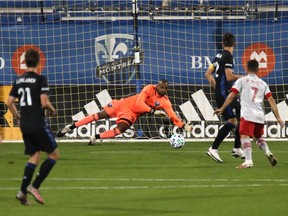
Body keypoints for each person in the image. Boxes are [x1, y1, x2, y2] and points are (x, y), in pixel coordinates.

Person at [57, 79, 193, 143]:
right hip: (122, 104)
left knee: (120, 130)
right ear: (157, 85)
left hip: (131, 114)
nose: (163, 89)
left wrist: (183, 126)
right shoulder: (149, 88)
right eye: (161, 87)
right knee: (99, 115)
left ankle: (95, 137)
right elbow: (139, 102)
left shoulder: (165, 101)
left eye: (165, 88)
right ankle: (71, 127)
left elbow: (173, 117)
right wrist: (153, 111)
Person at [7, 49, 59, 205]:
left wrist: (17, 117)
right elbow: (44, 102)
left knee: (34, 156)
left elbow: (9, 102)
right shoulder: (40, 79)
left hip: (25, 124)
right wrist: (52, 110)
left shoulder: (18, 80)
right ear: (38, 62)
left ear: (25, 63)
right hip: (37, 123)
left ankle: (22, 192)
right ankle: (34, 186)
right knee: (54, 154)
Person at [214, 60, 284, 168]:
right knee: (258, 137)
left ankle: (248, 161)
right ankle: (268, 152)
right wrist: (278, 117)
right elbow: (271, 100)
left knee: (244, 136)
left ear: (246, 68)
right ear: (258, 69)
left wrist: (222, 108)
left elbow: (232, 95)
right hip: (260, 115)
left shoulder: (242, 80)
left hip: (247, 114)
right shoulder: (263, 83)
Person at [205, 32, 243, 163]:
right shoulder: (228, 57)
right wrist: (246, 77)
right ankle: (213, 148)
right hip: (225, 93)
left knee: (241, 114)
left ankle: (237, 148)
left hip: (224, 92)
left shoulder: (218, 56)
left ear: (222, 43)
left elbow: (208, 74)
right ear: (234, 44)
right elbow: (229, 77)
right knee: (232, 121)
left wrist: (215, 86)